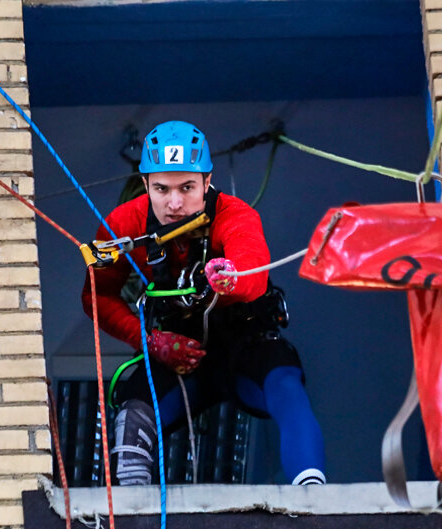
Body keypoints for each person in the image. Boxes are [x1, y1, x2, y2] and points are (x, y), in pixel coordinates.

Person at [81, 120, 326, 487]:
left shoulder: (234, 214)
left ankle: (314, 503)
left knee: (286, 385)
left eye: (187, 187)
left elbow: (253, 273)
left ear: (207, 182)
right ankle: (132, 521)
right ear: (145, 183)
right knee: (133, 413)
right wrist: (149, 341)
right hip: (177, 351)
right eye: (162, 188)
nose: (175, 203)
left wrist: (231, 277)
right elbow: (96, 296)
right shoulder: (124, 224)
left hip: (245, 339)